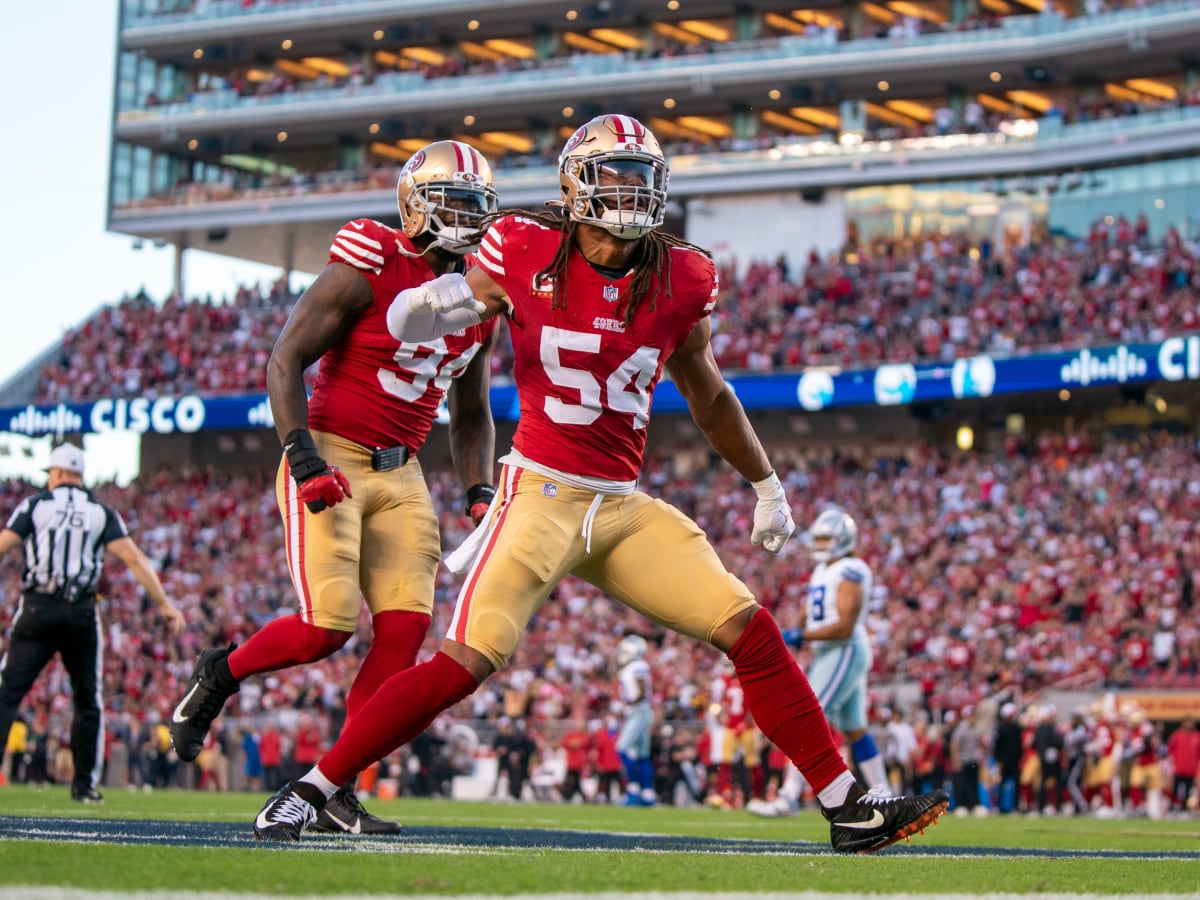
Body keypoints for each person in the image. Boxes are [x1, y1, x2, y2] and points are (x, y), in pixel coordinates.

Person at [251, 113, 949, 851]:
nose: (630, 191)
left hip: (619, 505)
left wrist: (765, 482)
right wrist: (436, 303)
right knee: (463, 664)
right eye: (614, 174)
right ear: (575, 184)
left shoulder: (683, 275)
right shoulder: (519, 246)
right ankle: (310, 791)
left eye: (642, 176)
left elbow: (709, 394)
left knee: (750, 629)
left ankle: (847, 807)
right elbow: (445, 306)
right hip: (538, 496)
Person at [168, 140, 500, 835]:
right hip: (332, 452)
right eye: (453, 203)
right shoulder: (372, 259)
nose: (466, 220)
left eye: (476, 206)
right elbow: (284, 357)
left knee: (405, 634)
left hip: (403, 469)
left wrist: (477, 489)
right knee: (328, 626)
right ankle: (222, 671)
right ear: (415, 206)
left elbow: (471, 412)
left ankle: (334, 787)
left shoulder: (480, 299)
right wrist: (304, 458)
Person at [0, 443, 185, 803]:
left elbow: (5, 544)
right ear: (79, 476)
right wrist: (164, 605)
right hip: (80, 613)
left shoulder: (36, 506)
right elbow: (133, 557)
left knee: (7, 693)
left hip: (38, 607)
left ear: (54, 474)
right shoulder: (101, 512)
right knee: (88, 700)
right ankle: (84, 785)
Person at [754, 509, 890, 818]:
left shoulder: (852, 569)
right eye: (818, 538)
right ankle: (884, 792)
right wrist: (792, 631)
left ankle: (788, 796)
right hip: (831, 651)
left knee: (806, 718)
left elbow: (844, 625)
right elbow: (809, 612)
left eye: (827, 538)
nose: (821, 543)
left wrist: (803, 634)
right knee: (855, 729)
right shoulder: (823, 570)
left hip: (843, 648)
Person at [614, 634, 656, 807]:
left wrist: (627, 705)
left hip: (638, 712)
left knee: (622, 748)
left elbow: (641, 689)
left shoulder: (637, 666)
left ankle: (633, 789)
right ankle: (648, 793)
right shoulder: (633, 666)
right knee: (642, 755)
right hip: (639, 712)